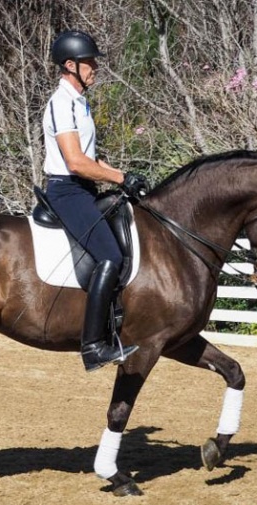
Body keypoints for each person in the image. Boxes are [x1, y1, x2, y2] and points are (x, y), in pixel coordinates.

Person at [42, 30, 148, 372]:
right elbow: (74, 161)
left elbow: (92, 159)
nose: (94, 68)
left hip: (85, 188)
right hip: (67, 190)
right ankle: (93, 346)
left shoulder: (80, 102)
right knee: (110, 255)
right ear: (70, 65)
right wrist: (118, 178)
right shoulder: (61, 102)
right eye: (89, 62)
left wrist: (124, 177)